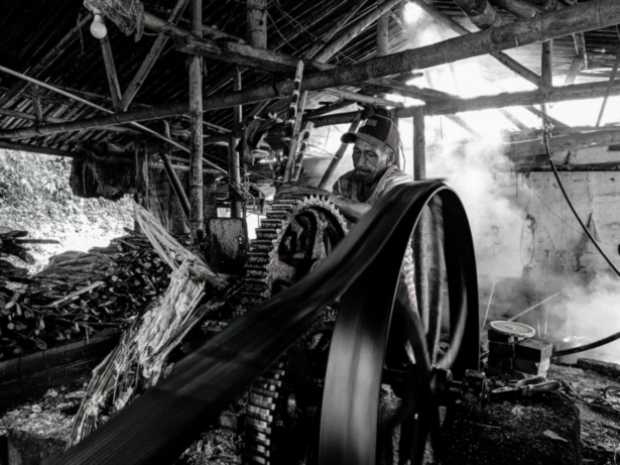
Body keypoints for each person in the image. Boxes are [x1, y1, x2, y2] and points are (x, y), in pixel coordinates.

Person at [331, 107, 410, 220]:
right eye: (357, 152)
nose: (359, 163)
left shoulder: (401, 184)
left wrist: (332, 200)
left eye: (371, 155)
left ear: (389, 158)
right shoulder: (344, 182)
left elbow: (380, 215)